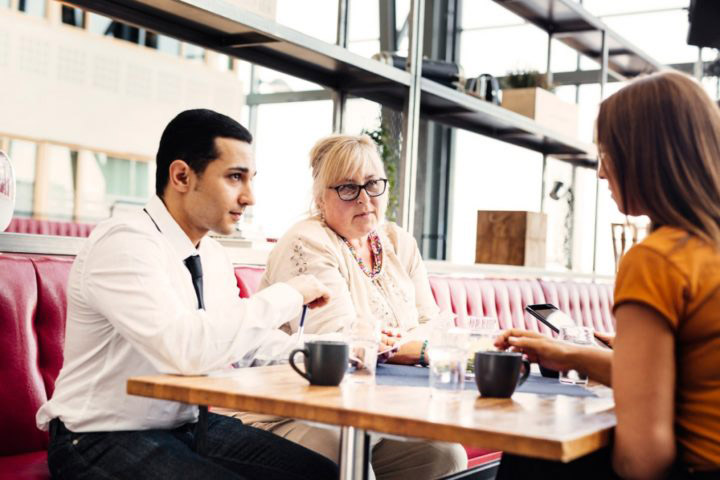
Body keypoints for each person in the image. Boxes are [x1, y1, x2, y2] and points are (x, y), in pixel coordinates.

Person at [36, 109, 338, 480]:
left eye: (251, 179)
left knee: (322, 473)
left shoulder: (211, 253)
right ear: (181, 176)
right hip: (98, 436)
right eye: (235, 177)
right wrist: (288, 294)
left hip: (186, 428)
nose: (250, 197)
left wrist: (331, 351)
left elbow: (245, 344)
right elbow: (185, 350)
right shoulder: (125, 243)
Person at [495, 71, 720, 479]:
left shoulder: (658, 260)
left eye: (608, 153)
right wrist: (571, 355)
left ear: (646, 158)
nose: (601, 173)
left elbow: (643, 458)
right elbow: (687, 381)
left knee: (531, 452)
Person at [236, 134, 467, 480]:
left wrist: (398, 346)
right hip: (295, 412)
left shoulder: (398, 242)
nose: (364, 198)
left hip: (378, 408)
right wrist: (410, 347)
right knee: (342, 450)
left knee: (444, 456)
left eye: (372, 184)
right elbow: (341, 345)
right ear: (319, 198)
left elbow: (432, 325)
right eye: (347, 188)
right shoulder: (307, 241)